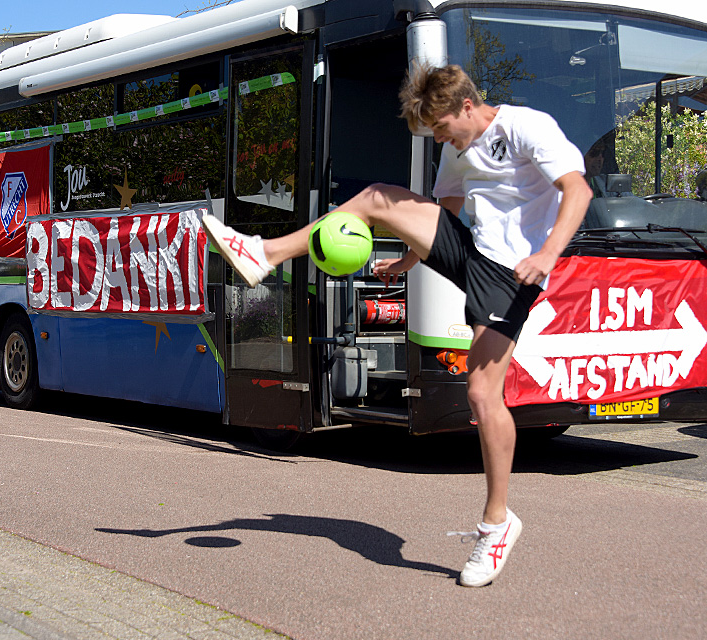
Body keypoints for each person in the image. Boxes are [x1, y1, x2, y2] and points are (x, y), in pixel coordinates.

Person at [202, 64, 592, 587]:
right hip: (473, 252)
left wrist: (546, 254)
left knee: (481, 394)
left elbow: (578, 191)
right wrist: (410, 260)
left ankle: (497, 524)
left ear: (467, 107)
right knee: (377, 198)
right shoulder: (457, 148)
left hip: (514, 274)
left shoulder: (526, 127)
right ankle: (264, 254)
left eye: (442, 127)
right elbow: (446, 208)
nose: (440, 138)